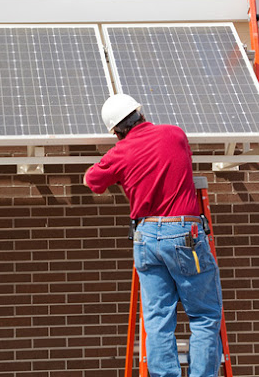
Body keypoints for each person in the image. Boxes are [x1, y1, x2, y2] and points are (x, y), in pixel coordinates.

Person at [84, 94, 223, 377]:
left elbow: (92, 180)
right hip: (184, 233)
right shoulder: (174, 135)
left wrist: (119, 154)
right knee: (204, 316)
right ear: (140, 112)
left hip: (146, 236)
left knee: (158, 320)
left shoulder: (119, 153)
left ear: (115, 131)